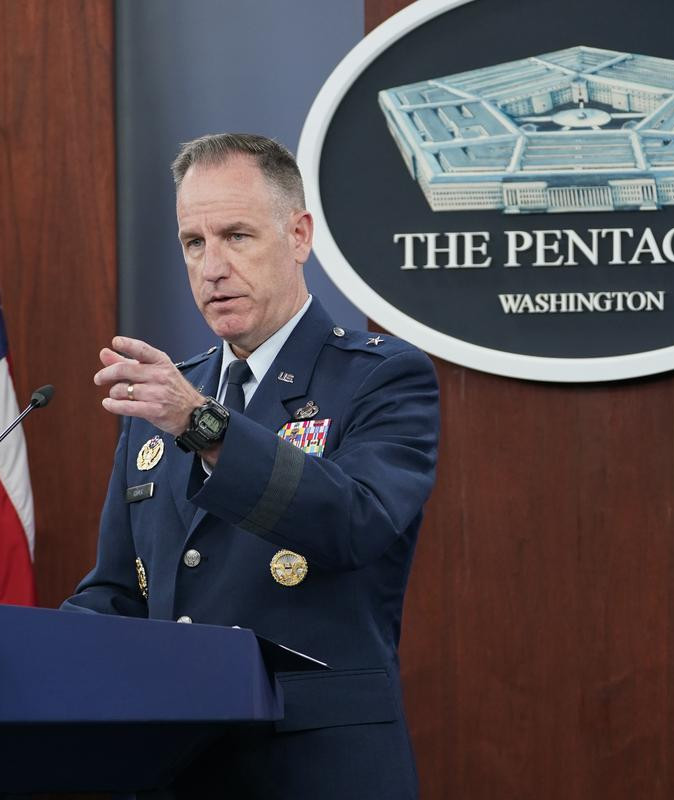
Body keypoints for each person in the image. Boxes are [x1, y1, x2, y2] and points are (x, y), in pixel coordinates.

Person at [63, 133, 439, 799]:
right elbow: (119, 595)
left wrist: (203, 426)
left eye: (236, 236)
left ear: (298, 236)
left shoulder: (380, 376)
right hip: (178, 767)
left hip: (315, 771)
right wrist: (16, 650)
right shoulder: (166, 399)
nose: (212, 267)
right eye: (193, 242)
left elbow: (356, 521)